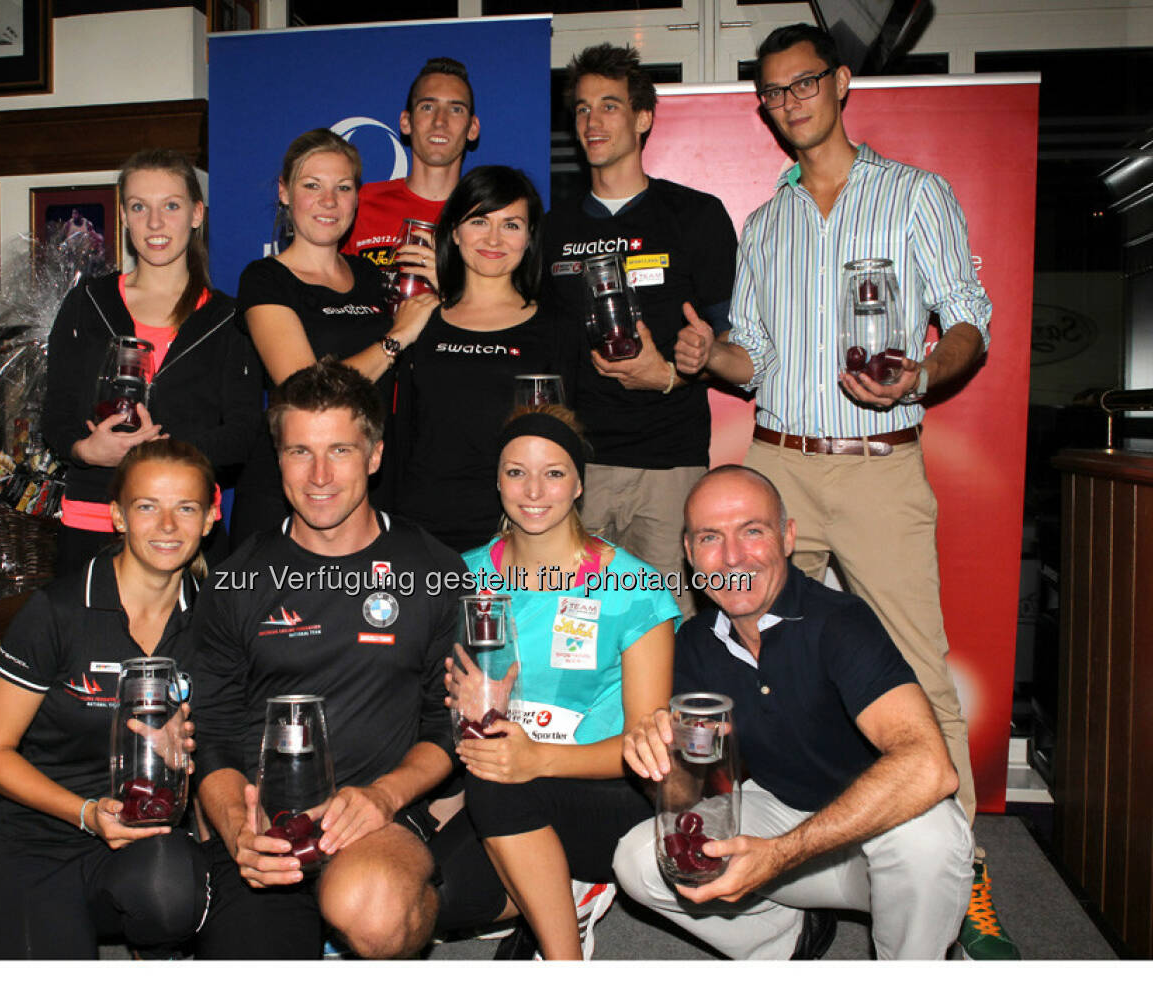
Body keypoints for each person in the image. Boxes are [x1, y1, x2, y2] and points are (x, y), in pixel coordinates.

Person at [678, 23, 1014, 959]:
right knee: (743, 649)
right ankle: (796, 856)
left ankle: (961, 873)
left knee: (917, 667)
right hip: (777, 460)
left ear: (841, 82)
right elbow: (758, 360)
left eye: (803, 85)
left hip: (877, 462)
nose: (790, 104)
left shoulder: (914, 195)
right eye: (773, 93)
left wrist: (918, 378)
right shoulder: (766, 222)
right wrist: (714, 357)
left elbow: (970, 324)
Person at [612, 465, 973, 960]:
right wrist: (656, 757)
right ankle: (787, 944)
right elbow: (686, 793)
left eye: (752, 531)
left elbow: (930, 766)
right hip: (787, 824)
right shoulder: (695, 643)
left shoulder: (840, 621)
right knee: (640, 860)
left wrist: (779, 855)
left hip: (878, 842)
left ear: (787, 537)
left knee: (928, 840)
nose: (733, 556)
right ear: (691, 554)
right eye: (711, 537)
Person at [189, 359, 464, 959]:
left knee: (374, 909)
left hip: (376, 821)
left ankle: (356, 930)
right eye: (298, 452)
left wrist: (385, 798)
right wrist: (240, 832)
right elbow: (210, 733)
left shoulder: (434, 570)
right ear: (277, 458)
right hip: (264, 829)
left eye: (340, 450)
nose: (319, 475)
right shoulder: (237, 581)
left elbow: (446, 727)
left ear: (374, 455)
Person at [430, 405, 677, 960]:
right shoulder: (464, 576)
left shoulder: (634, 586)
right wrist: (464, 719)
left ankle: (561, 957)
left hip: (607, 794)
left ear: (580, 483)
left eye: (555, 472)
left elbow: (650, 749)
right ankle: (554, 891)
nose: (534, 489)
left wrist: (536, 758)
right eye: (516, 472)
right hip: (507, 784)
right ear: (497, 481)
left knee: (502, 767)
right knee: (438, 896)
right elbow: (448, 705)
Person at [0, 438, 214, 959]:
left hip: (150, 836)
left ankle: (155, 943)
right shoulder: (56, 611)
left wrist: (194, 749)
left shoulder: (214, 620)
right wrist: (84, 813)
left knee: (173, 896)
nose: (168, 525)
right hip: (42, 836)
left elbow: (229, 743)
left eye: (185, 507)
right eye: (148, 506)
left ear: (210, 516)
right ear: (118, 517)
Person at [541, 43, 737, 621]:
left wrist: (674, 373)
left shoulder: (695, 216)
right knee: (575, 629)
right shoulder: (553, 229)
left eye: (609, 106)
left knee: (670, 629)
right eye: (581, 109)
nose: (592, 121)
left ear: (643, 117)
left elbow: (734, 346)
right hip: (579, 468)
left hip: (668, 465)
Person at [42, 148, 269, 577]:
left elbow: (242, 435)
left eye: (171, 205)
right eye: (139, 207)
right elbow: (55, 418)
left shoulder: (228, 318)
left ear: (196, 214)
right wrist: (87, 450)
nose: (155, 223)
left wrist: (159, 455)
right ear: (124, 218)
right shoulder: (88, 304)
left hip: (184, 531)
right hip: (95, 522)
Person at [235, 128, 438, 534]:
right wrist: (396, 338)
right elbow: (307, 391)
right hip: (291, 496)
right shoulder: (265, 279)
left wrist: (444, 293)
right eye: (312, 186)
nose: (329, 201)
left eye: (343, 188)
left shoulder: (371, 275)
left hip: (368, 487)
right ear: (285, 192)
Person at [393, 166, 579, 551]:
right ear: (455, 232)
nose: (494, 238)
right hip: (420, 527)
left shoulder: (556, 327)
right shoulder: (420, 320)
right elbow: (402, 432)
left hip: (514, 530)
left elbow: (566, 441)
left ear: (529, 238)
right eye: (479, 220)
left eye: (511, 225)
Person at [343, 56, 481, 274]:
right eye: (427, 107)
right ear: (405, 122)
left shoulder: (487, 213)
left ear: (472, 128)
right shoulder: (361, 204)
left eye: (456, 109)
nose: (440, 121)